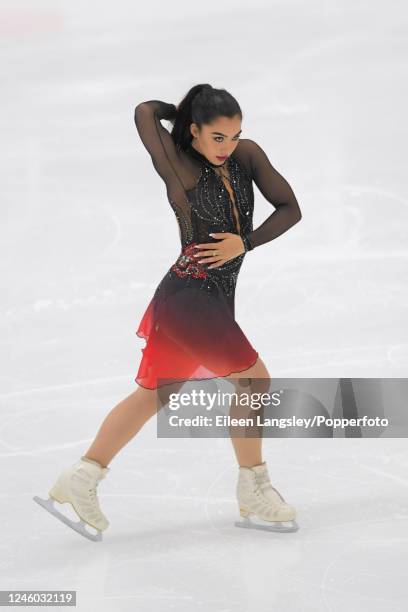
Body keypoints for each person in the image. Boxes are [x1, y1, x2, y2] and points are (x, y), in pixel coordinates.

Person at [33, 84, 302, 540]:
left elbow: (290, 208)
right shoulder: (176, 165)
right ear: (193, 131)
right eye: (217, 136)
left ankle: (79, 478)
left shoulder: (247, 155)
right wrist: (183, 111)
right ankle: (254, 486)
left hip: (208, 300)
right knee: (254, 380)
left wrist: (246, 241)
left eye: (235, 135)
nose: (228, 146)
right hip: (189, 300)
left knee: (154, 394)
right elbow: (144, 111)